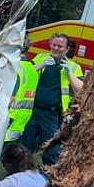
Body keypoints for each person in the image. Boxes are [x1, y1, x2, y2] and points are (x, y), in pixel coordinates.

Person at [15, 33, 83, 165]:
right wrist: (41, 65)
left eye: (60, 46)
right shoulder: (41, 57)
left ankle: (48, 178)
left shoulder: (74, 67)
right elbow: (24, 74)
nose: (56, 48)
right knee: (24, 148)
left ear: (67, 49)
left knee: (52, 151)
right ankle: (20, 175)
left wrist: (69, 73)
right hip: (32, 111)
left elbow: (80, 90)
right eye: (54, 45)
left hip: (52, 115)